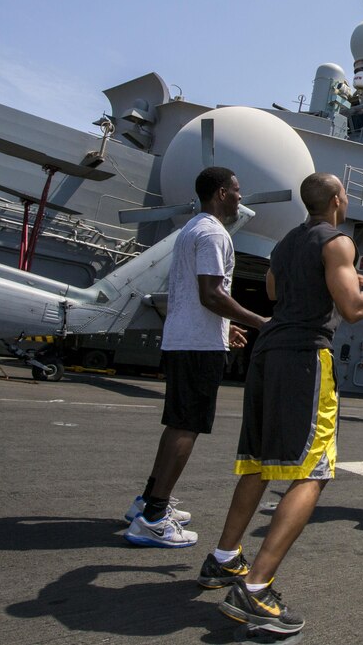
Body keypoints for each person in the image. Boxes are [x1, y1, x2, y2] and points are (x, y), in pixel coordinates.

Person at [201, 172, 363, 635]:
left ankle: (224, 558)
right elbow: (355, 309)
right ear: (337, 199)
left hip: (268, 352)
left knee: (258, 462)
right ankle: (256, 589)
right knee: (312, 472)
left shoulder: (287, 241)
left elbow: (276, 293)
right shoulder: (338, 242)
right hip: (303, 358)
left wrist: (331, 280)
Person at [124, 167, 268, 549]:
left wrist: (227, 327)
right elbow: (211, 294)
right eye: (237, 190)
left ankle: (150, 499)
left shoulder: (192, 228)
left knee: (176, 424)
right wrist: (258, 322)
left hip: (187, 338)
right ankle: (153, 518)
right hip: (197, 346)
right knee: (187, 427)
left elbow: (195, 294)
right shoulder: (213, 233)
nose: (241, 197)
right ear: (221, 193)